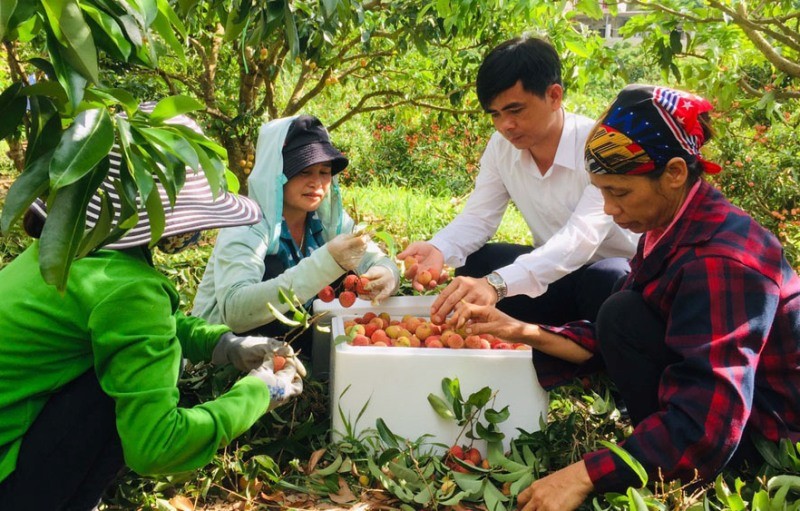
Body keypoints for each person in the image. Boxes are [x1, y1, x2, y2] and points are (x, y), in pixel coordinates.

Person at [449, 84, 800, 511]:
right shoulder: (670, 229)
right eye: (602, 192)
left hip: (768, 439)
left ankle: (677, 463)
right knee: (621, 312)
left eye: (619, 192)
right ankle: (656, 448)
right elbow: (610, 333)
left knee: (621, 311)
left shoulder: (724, 260)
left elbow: (708, 423)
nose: (610, 209)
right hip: (728, 414)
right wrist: (520, 331)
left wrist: (583, 476)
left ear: (674, 173)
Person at [0, 108, 306, 511]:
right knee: (118, 392)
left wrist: (224, 344)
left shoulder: (66, 251)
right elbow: (157, 445)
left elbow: (139, 324)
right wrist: (258, 393)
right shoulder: (129, 289)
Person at [398, 35, 638, 333]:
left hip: (611, 279)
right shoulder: (502, 147)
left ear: (554, 96)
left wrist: (497, 284)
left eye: (515, 111)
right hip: (550, 275)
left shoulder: (597, 147)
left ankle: (588, 343)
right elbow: (479, 217)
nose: (505, 125)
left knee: (608, 277)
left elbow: (580, 239)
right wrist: (439, 248)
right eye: (495, 115)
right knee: (478, 262)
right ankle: (542, 335)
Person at [192, 115, 399, 360]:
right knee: (291, 265)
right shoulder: (245, 223)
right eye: (304, 171)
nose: (317, 183)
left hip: (288, 352)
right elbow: (235, 309)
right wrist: (328, 262)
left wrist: (387, 274)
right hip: (228, 355)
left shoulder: (328, 219)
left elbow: (377, 260)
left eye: (324, 172)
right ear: (277, 175)